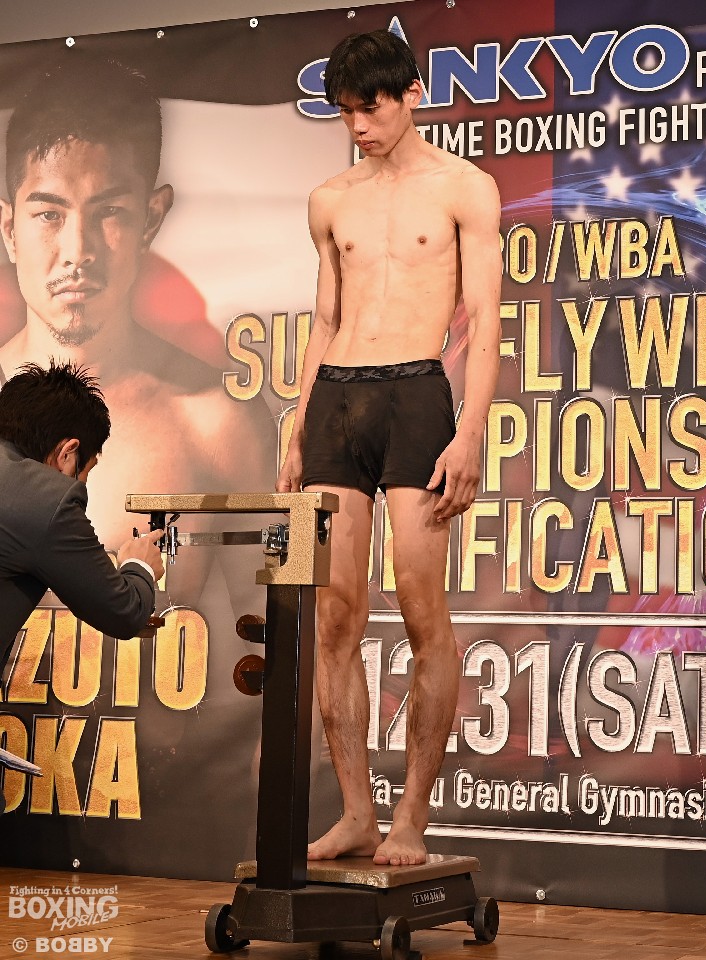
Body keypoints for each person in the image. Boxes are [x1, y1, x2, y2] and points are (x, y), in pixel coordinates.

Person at [277, 30, 502, 867]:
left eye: (370, 109)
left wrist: (470, 431)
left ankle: (411, 818)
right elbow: (325, 320)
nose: (359, 127)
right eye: (345, 113)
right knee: (335, 617)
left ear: (412, 93)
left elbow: (486, 321)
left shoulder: (465, 188)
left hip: (416, 395)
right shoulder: (329, 199)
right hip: (336, 398)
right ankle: (356, 813)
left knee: (420, 611)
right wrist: (298, 424)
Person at [0, 56, 274, 604]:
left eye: (109, 212)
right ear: (9, 228)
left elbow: (263, 633)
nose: (77, 252)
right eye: (49, 214)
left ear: (151, 217)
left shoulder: (217, 426)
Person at [0, 360, 164, 680]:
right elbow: (124, 612)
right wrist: (139, 566)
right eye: (85, 471)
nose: (83, 482)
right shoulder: (45, 499)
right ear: (68, 453)